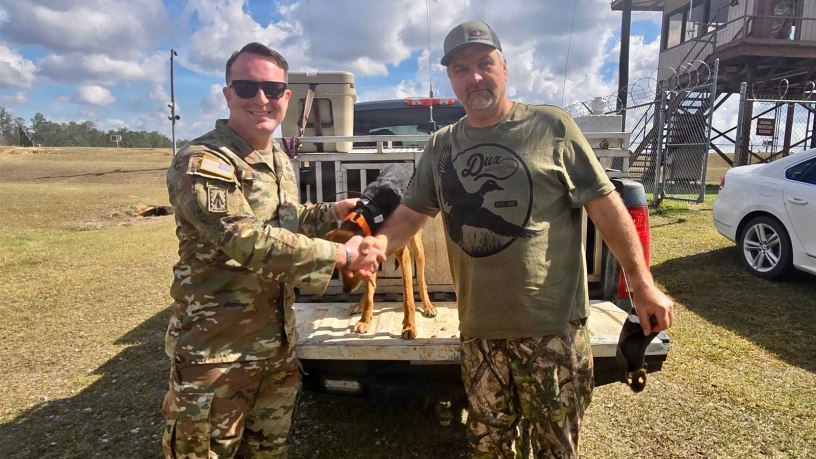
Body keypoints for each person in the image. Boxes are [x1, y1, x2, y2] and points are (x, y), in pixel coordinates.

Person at [357, 21, 674, 458]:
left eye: (484, 64)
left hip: (552, 331)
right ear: (451, 79)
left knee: (555, 449)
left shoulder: (551, 127)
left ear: (504, 67)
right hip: (480, 334)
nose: (475, 78)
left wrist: (641, 282)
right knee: (489, 447)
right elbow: (412, 213)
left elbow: (605, 204)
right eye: (461, 69)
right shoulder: (440, 147)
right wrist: (378, 244)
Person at [161, 42, 382, 458]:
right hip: (217, 355)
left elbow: (283, 218)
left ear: (286, 96)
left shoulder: (276, 157)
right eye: (247, 87)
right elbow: (248, 239)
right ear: (227, 94)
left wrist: (332, 211)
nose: (261, 99)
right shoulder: (203, 161)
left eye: (273, 88)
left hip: (275, 345)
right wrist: (342, 255)